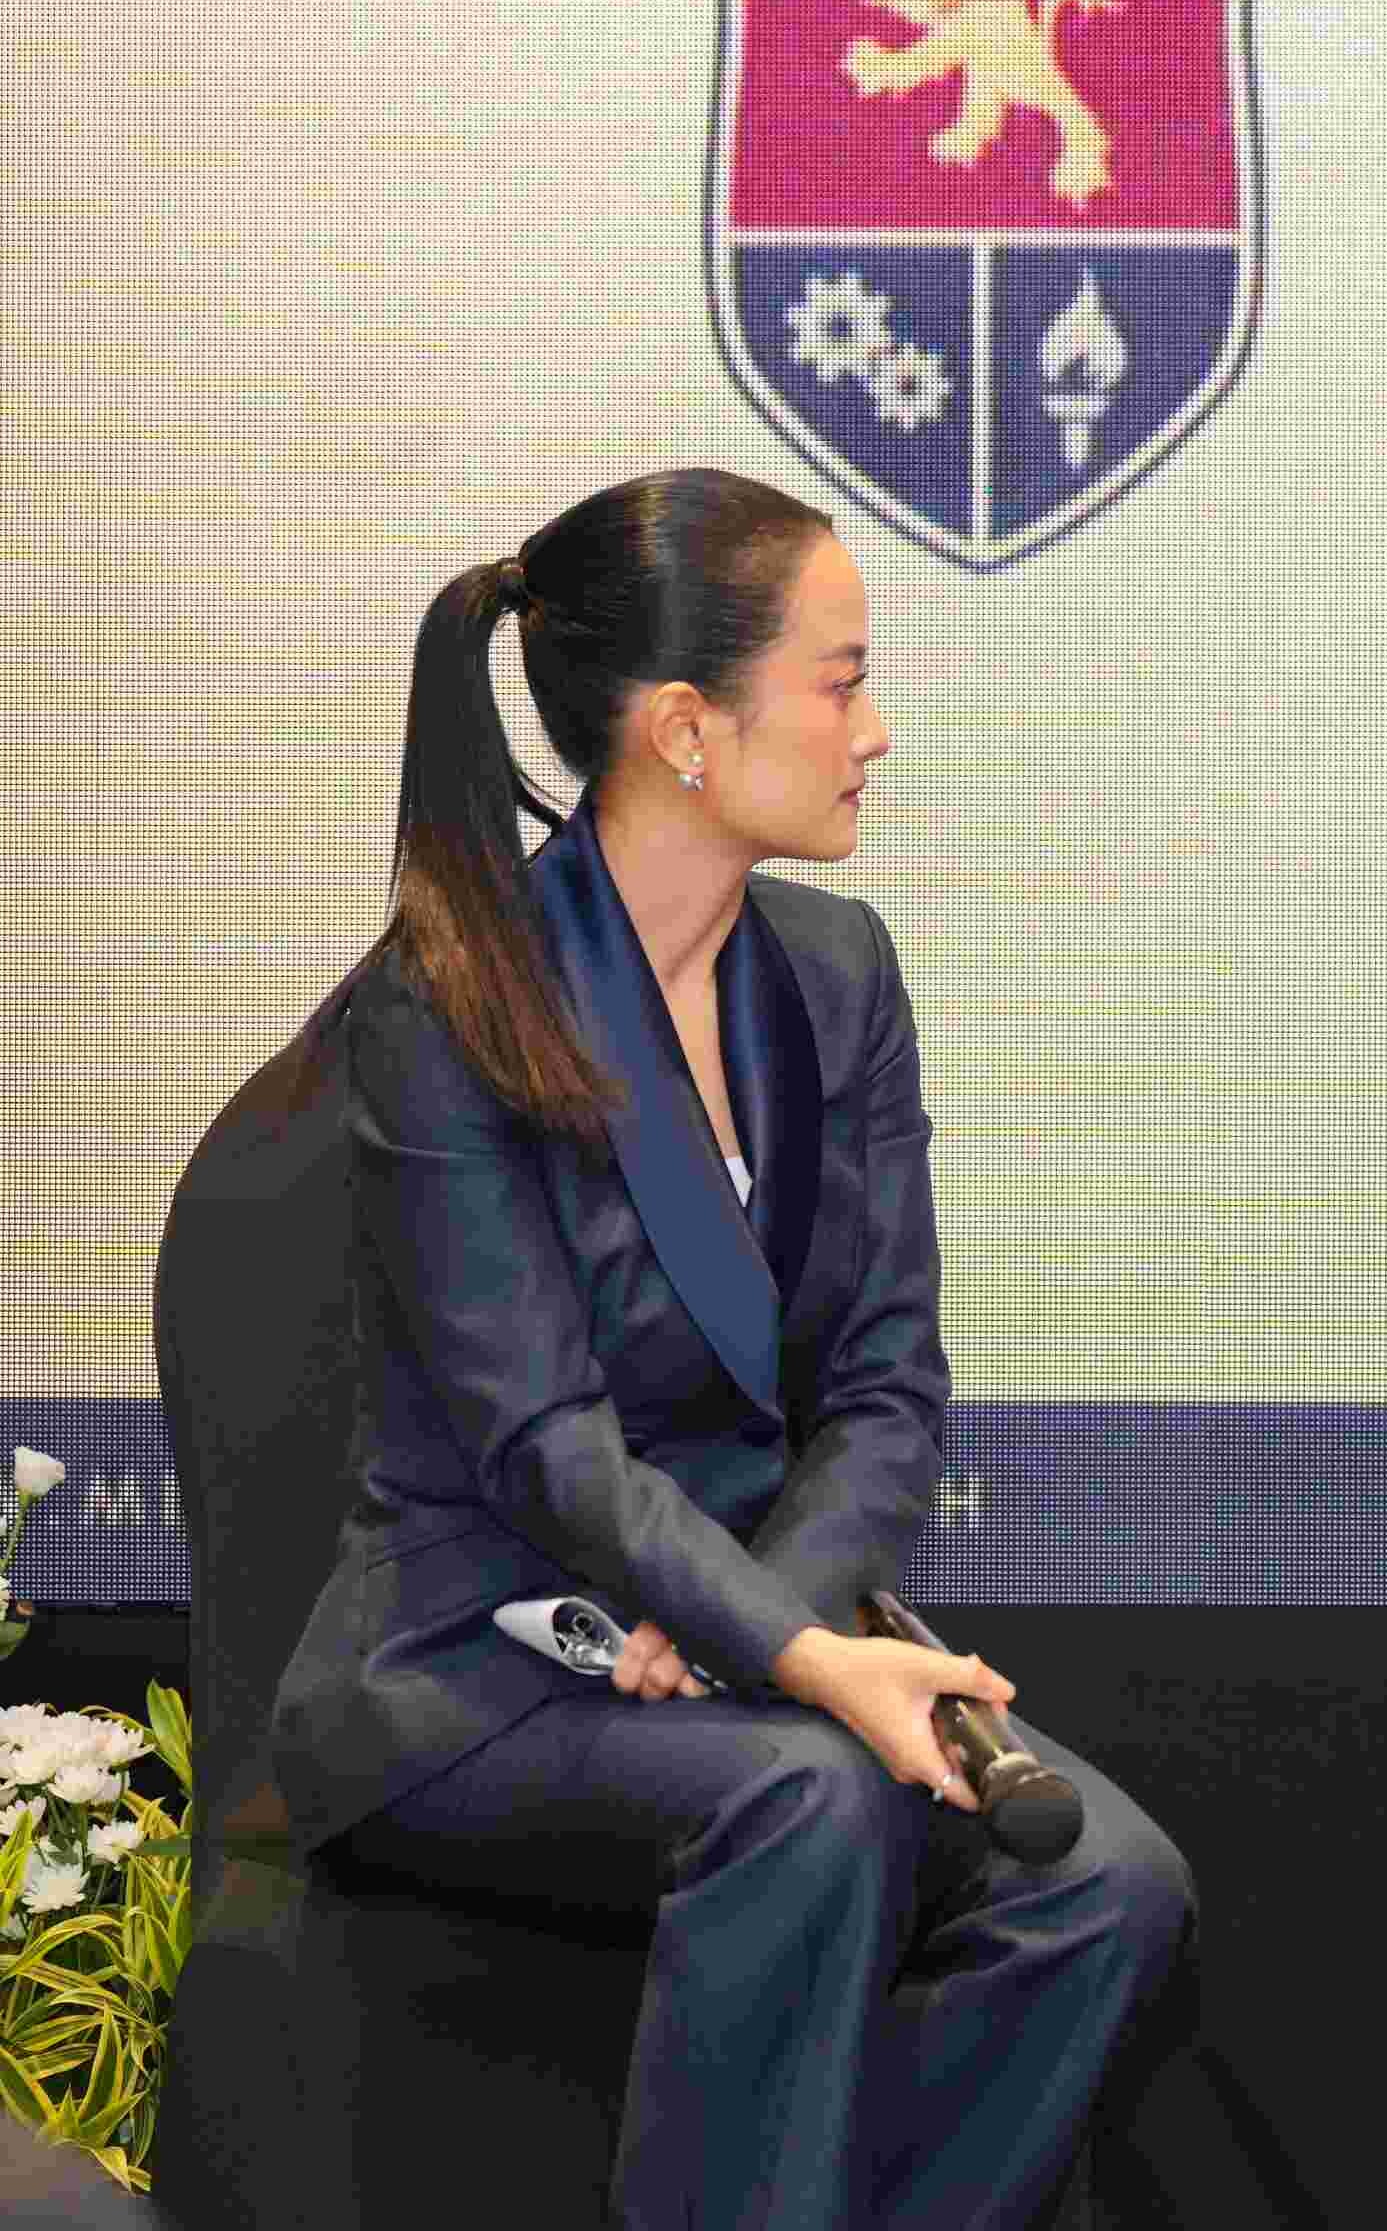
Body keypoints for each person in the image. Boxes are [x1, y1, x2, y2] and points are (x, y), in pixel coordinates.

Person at [268, 468, 1190, 2231]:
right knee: (810, 1803)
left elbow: (888, 1390)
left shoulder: (835, 976)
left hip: (753, 1625)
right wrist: (782, 1651)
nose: (876, 731)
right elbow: (542, 1442)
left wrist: (764, 1625)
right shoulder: (449, 1002)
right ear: (688, 730)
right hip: (478, 1661)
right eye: (842, 684)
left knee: (1108, 1888)